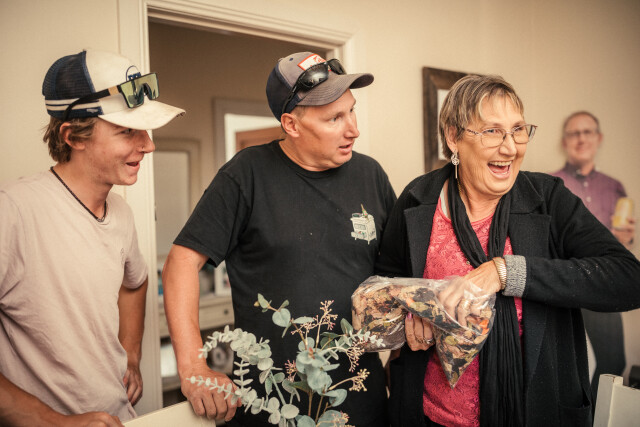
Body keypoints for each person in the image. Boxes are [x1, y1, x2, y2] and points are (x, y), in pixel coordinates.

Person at [375, 75, 640, 426]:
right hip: (430, 415)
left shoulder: (549, 199)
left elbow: (628, 279)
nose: (510, 147)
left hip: (535, 414)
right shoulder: (417, 200)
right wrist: (415, 312)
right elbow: (386, 287)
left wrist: (505, 272)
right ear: (453, 137)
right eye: (492, 131)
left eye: (518, 130)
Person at [162, 51, 396, 426]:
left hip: (360, 398)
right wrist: (193, 367)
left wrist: (399, 360)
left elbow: (395, 280)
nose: (353, 129)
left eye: (351, 111)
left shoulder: (371, 175)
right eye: (334, 118)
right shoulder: (246, 175)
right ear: (291, 124)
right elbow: (181, 263)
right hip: (270, 404)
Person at [0, 49, 184, 426]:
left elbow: (136, 282)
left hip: (119, 415)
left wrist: (131, 353)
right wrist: (56, 421)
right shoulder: (12, 211)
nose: (148, 145)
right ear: (73, 136)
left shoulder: (121, 212)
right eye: (127, 131)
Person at [551, 111, 636, 401]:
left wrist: (626, 239)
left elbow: (622, 241)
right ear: (565, 141)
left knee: (613, 362)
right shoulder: (551, 185)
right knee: (569, 368)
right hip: (567, 287)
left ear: (598, 138)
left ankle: (596, 418)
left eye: (587, 132)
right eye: (574, 133)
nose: (581, 139)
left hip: (604, 286)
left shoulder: (614, 187)